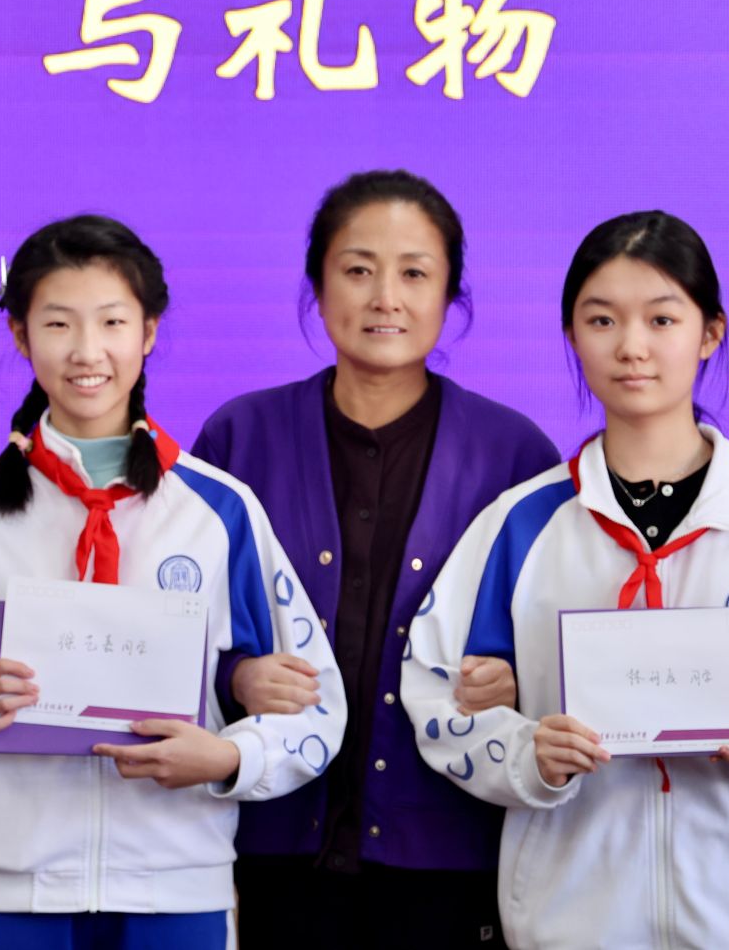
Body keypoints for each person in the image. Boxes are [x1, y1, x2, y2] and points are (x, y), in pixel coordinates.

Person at [403, 210, 729, 950]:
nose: (631, 346)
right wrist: (528, 752)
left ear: (710, 332)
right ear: (571, 334)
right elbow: (434, 691)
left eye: (662, 319)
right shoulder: (523, 520)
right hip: (569, 920)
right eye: (602, 320)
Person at [0, 214, 346, 950]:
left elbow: (320, 708)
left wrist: (229, 757)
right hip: (9, 881)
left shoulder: (218, 510)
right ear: (21, 336)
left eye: (113, 322)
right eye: (58, 323)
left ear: (148, 333)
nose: (87, 351)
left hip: (176, 878)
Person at [189, 169, 559, 944]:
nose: (385, 297)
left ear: (450, 294)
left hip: (450, 850)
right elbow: (183, 626)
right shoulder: (239, 439)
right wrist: (235, 677)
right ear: (318, 287)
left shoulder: (514, 454)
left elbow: (556, 638)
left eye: (414, 273)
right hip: (276, 840)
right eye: (358, 269)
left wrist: (520, 679)